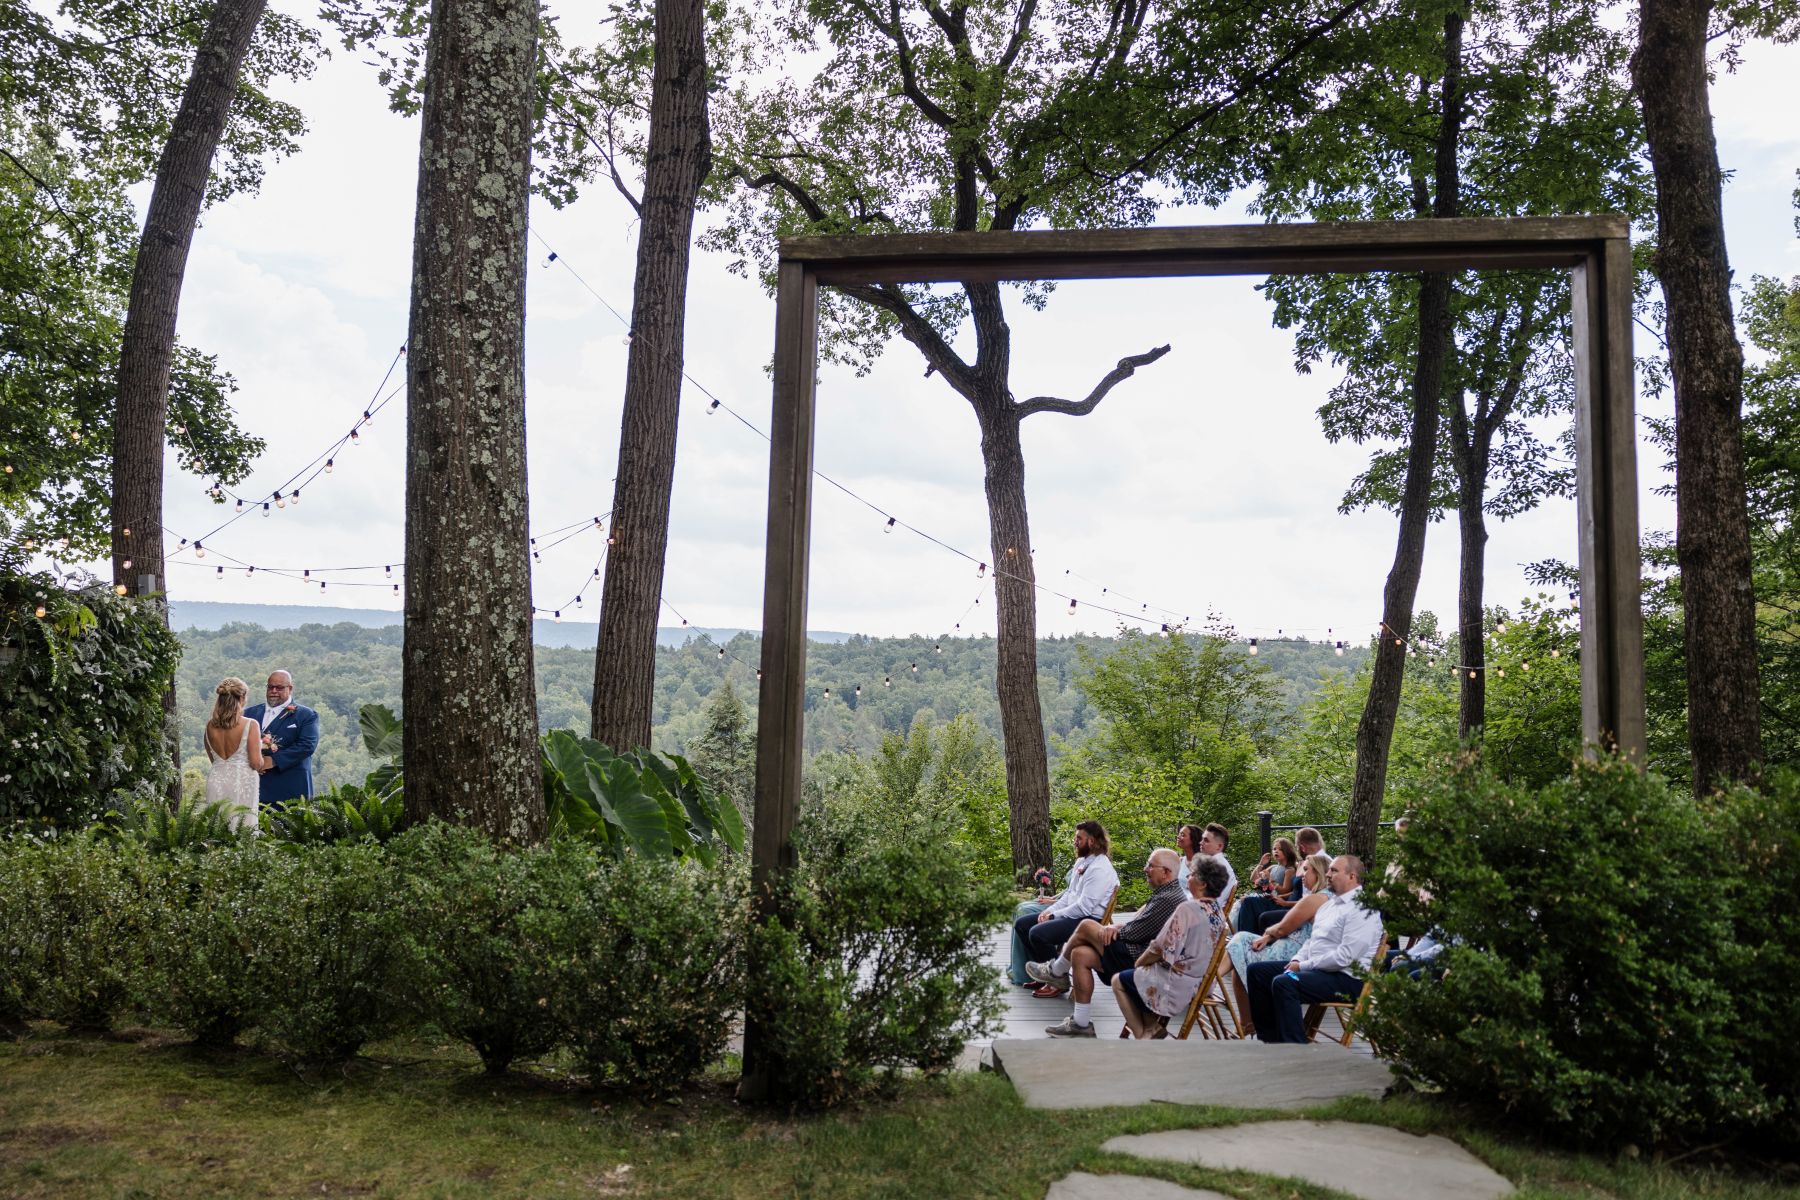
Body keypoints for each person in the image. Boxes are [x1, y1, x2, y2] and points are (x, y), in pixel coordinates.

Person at [1031, 848, 1186, 1036]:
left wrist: (1115, 929)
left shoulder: (1168, 899)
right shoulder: (1166, 893)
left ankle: (1056, 972)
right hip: (1138, 952)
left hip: (1140, 959)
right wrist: (1117, 927)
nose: (1145, 869)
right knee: (1080, 954)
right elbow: (1141, 926)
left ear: (1166, 872)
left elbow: (1134, 934)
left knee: (1087, 925)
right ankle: (1081, 1024)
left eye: (1151, 866)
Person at [1244, 854, 1384, 1043]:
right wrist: (1296, 960)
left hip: (1347, 977)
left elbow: (1345, 958)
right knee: (1257, 972)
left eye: (1334, 870)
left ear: (1352, 876)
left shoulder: (1362, 908)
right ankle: (1271, 1040)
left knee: (1286, 982)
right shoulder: (1330, 905)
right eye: (1328, 870)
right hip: (1319, 969)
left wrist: (1302, 967)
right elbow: (1313, 940)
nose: (1327, 874)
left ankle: (1294, 1048)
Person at [1110, 856, 1230, 1039]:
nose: (1188, 877)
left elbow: (1159, 947)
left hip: (1178, 984)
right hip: (1202, 982)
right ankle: (1151, 1027)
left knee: (1119, 980)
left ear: (1202, 883)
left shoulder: (1188, 909)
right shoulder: (1218, 912)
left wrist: (1140, 963)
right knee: (1143, 974)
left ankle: (1143, 1034)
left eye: (1193, 875)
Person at [1224, 852, 1332, 1037]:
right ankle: (1245, 1020)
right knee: (1240, 945)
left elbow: (1283, 928)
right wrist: (1267, 937)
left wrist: (1267, 936)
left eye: (1306, 870)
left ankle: (1209, 981)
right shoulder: (1323, 896)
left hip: (1295, 952)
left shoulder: (1316, 899)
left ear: (1319, 873)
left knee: (1240, 945)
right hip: (1294, 945)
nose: (1301, 874)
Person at [1013, 821, 1118, 977]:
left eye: (1079, 839)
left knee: (1037, 934)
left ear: (1092, 841)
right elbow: (1070, 895)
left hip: (1089, 920)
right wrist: (1049, 911)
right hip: (1074, 913)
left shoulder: (1100, 869)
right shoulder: (1082, 862)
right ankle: (1049, 974)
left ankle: (1056, 977)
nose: (1075, 842)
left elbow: (1085, 908)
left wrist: (1054, 916)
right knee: (1022, 924)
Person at [244, 669, 319, 807]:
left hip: (290, 788)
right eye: (270, 687)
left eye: (279, 687)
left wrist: (273, 761)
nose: (273, 691)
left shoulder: (306, 715)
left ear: (290, 689)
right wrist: (253, 761)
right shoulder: (248, 714)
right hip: (254, 787)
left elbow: (307, 746)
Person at [203, 677, 270, 832]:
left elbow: (214, 759)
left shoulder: (209, 726)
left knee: (217, 828)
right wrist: (260, 748)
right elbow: (256, 763)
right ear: (241, 698)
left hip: (216, 781)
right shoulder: (250, 724)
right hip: (242, 781)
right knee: (243, 827)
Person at [1177, 821, 1237, 904]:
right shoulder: (1209, 864)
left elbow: (1209, 903)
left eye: (1206, 840)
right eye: (1202, 839)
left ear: (1219, 846)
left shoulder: (1219, 869)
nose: (1200, 843)